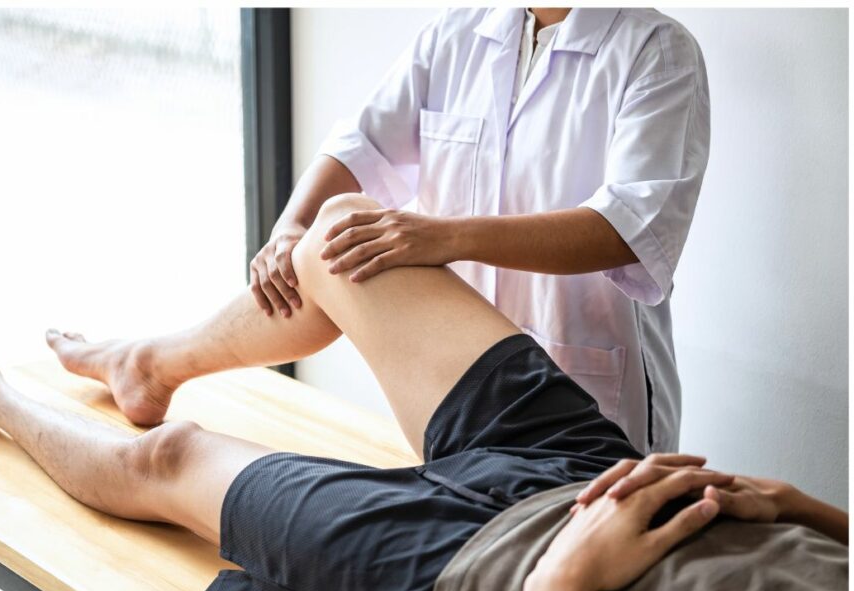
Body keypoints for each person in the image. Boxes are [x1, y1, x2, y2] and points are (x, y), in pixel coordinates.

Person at [0, 193, 846, 591]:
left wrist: (563, 582)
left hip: (485, 581)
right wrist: (800, 504)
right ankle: (147, 362)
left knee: (170, 460)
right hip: (604, 477)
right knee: (344, 244)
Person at [248, 8, 711, 455]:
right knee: (338, 233)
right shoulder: (454, 33)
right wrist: (293, 224)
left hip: (587, 394)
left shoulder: (658, 51)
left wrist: (444, 237)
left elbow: (626, 229)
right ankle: (175, 364)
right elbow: (364, 145)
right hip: (453, 388)